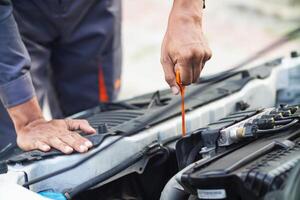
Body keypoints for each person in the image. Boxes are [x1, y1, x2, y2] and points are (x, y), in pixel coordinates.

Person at [0, 0, 211, 154]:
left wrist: (187, 14)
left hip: (91, 11)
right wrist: (29, 120)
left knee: (95, 135)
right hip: (13, 18)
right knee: (14, 149)